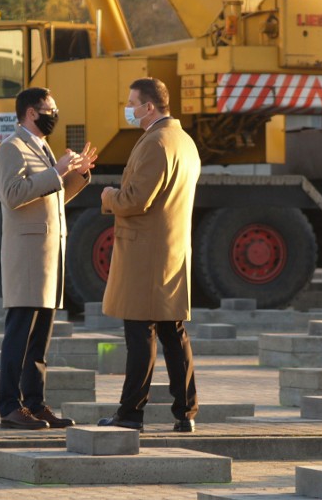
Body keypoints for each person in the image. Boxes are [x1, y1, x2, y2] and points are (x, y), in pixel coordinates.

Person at [97, 77, 201, 433]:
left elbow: (135, 200)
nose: (129, 109)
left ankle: (131, 413)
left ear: (150, 107)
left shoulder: (156, 142)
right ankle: (184, 411)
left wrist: (109, 196)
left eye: (132, 102)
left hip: (146, 254)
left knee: (140, 334)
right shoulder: (183, 141)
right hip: (170, 250)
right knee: (173, 333)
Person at [0, 87, 97, 429]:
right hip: (27, 258)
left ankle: (35, 404)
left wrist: (76, 174)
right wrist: (56, 172)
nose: (54, 114)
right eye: (49, 109)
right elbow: (13, 196)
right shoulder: (12, 148)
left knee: (39, 342)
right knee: (19, 336)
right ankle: (11, 406)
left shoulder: (43, 148)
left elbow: (52, 200)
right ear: (30, 113)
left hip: (49, 258)